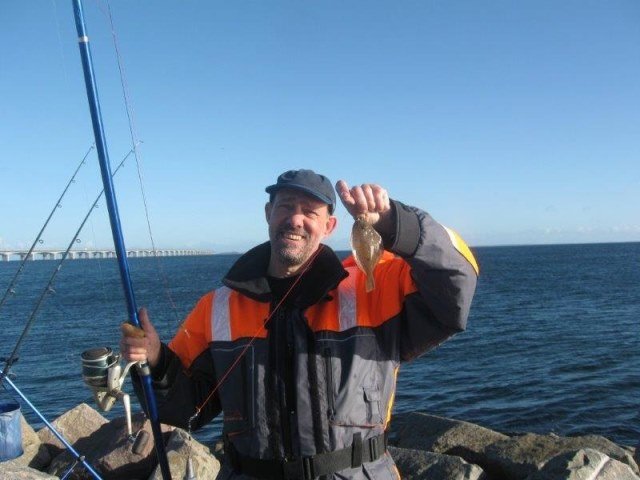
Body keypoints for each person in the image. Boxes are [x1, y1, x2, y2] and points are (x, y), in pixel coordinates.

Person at [121, 169, 479, 480]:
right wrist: (155, 362)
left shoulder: (373, 285)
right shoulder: (216, 308)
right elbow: (185, 411)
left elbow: (457, 278)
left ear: (330, 226)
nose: (296, 219)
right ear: (268, 214)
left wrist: (392, 222)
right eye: (285, 207)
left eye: (310, 211)